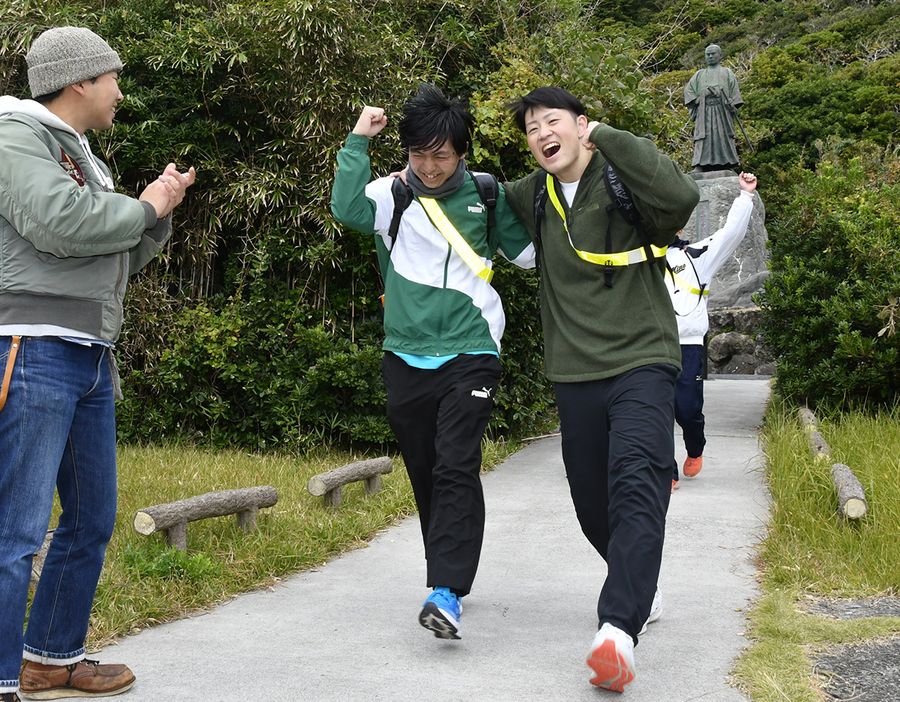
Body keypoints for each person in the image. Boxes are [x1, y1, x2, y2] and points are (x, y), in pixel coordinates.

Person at [0, 26, 195, 702]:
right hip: (33, 346)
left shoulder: (82, 155)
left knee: (90, 520)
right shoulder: (15, 136)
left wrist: (157, 213)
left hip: (88, 352)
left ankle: (51, 659)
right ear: (80, 79)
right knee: (17, 528)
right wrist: (140, 207)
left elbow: (113, 252)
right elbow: (60, 222)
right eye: (112, 77)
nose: (119, 91)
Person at [503, 87, 699, 692]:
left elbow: (681, 196)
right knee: (592, 501)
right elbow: (464, 196)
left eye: (552, 121)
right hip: (574, 372)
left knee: (637, 482)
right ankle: (639, 583)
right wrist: (416, 169)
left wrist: (610, 137)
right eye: (531, 128)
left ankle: (617, 630)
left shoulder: (619, 176)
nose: (542, 134)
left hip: (643, 358)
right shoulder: (531, 195)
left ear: (581, 125)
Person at [330, 84, 534, 640]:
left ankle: (446, 589)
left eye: (440, 155)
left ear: (461, 151)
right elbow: (345, 209)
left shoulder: (486, 195)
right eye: (418, 154)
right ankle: (448, 573)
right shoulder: (390, 195)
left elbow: (529, 255)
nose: (429, 166)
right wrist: (357, 140)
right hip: (405, 354)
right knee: (426, 470)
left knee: (455, 464)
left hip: (472, 349)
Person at [667, 172, 758, 487]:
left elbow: (730, 234)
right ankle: (665, 470)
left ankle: (695, 447)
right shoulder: (637, 259)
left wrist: (745, 196)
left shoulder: (695, 256)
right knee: (654, 411)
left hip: (688, 346)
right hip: (650, 347)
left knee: (687, 410)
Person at [684, 44, 744, 172]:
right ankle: (700, 164)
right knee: (703, 137)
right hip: (704, 111)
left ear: (720, 56)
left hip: (722, 111)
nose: (710, 56)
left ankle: (727, 163)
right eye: (708, 54)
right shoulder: (699, 74)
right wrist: (699, 97)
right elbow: (688, 91)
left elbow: (734, 95)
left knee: (722, 135)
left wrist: (732, 103)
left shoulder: (727, 72)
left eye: (713, 54)